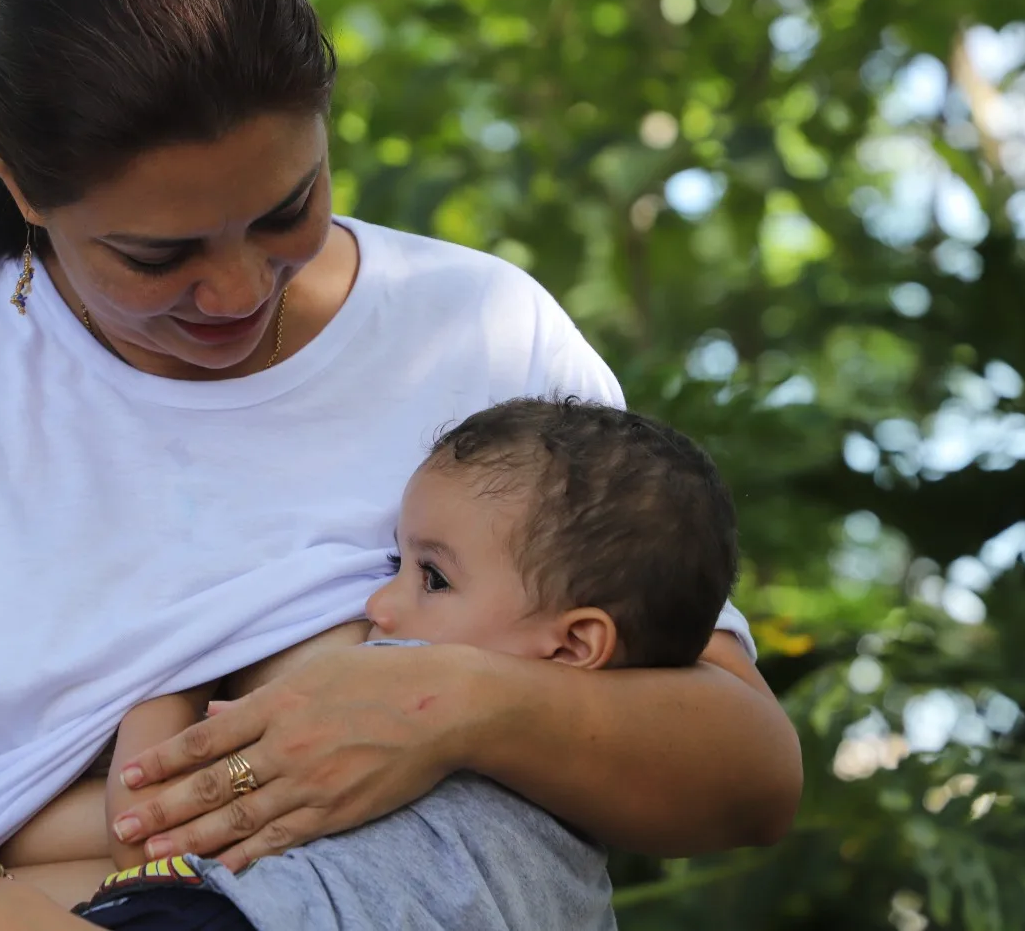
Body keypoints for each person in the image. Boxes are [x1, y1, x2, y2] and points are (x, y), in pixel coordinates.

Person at [0, 0, 801, 931]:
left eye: (288, 209)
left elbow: (745, 768)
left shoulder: (476, 328)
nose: (234, 291)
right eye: (157, 254)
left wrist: (454, 706)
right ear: (22, 184)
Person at [40, 397, 734, 930]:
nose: (380, 601)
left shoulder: (387, 698)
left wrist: (167, 678)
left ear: (573, 645)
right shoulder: (582, 816)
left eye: (431, 577)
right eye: (394, 562)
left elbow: (150, 841)